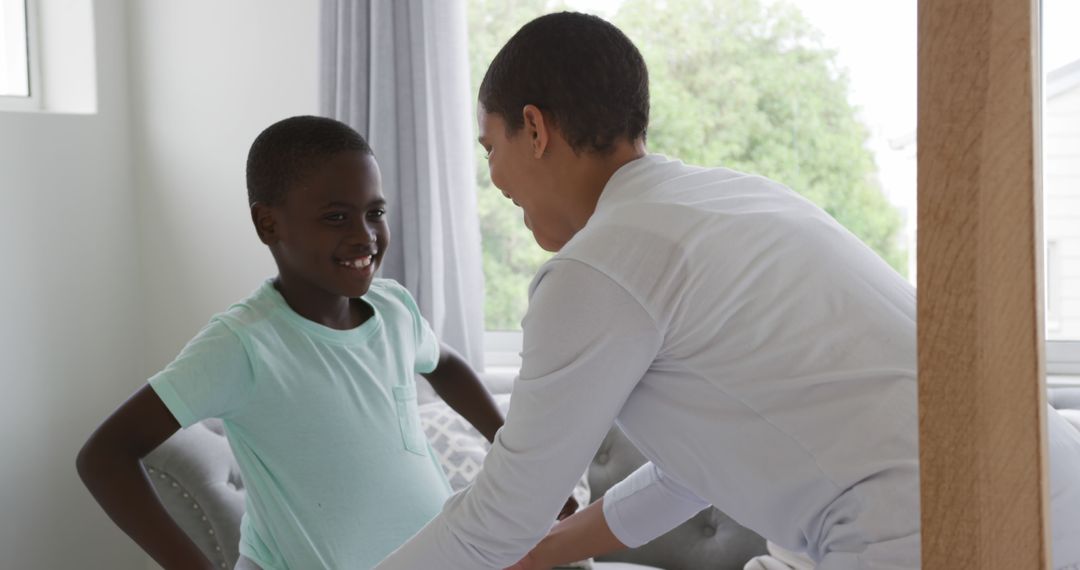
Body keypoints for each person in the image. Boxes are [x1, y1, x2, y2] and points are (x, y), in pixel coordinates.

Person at [374, 12, 1080, 570]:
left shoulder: (598, 267)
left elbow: (502, 512)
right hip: (1048, 487)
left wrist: (509, 542)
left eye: (488, 146)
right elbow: (690, 475)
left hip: (938, 525)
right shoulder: (735, 201)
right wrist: (544, 551)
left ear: (534, 129)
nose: (494, 179)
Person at [75, 116, 573, 570]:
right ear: (268, 224)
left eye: (374, 212)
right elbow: (104, 456)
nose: (365, 236)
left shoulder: (395, 309)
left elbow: (444, 365)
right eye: (336, 217)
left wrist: (516, 460)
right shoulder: (244, 344)